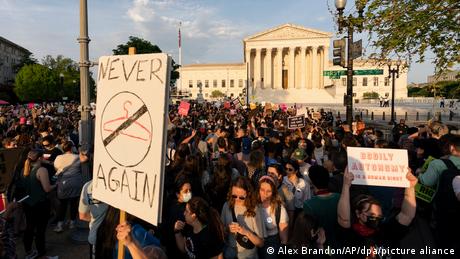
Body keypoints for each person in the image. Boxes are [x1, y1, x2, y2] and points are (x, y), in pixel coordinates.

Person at [337, 167, 417, 258]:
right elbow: (343, 219)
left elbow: (407, 216)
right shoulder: (351, 237)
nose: (376, 219)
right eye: (371, 215)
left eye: (379, 216)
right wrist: (346, 185)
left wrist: (410, 187)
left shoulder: (385, 232)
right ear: (358, 213)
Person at [22, 150, 56, 259]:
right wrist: (56, 185)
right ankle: (41, 252)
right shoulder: (41, 170)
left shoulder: (24, 169)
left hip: (27, 203)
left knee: (29, 227)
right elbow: (47, 189)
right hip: (40, 203)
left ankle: (29, 251)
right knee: (40, 229)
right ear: (40, 158)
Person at [221, 176, 265, 259]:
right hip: (230, 253)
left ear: (248, 194)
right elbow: (220, 232)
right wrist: (227, 229)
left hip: (248, 255)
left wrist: (246, 232)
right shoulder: (226, 206)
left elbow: (261, 243)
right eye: (234, 196)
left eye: (241, 197)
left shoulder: (254, 209)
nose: (237, 199)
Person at [303, 165, 340, 248]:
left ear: (312, 181)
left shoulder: (308, 204)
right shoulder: (339, 197)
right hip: (340, 242)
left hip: (320, 245)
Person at [53, 140, 83, 232]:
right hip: (75, 182)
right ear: (72, 147)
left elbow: (56, 169)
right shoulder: (77, 157)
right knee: (74, 203)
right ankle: (72, 222)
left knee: (62, 204)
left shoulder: (58, 157)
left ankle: (60, 224)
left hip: (63, 183)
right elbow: (84, 164)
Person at [257, 175, 289, 259]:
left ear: (273, 192)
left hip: (271, 242)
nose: (264, 194)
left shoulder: (279, 208)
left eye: (269, 191)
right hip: (255, 242)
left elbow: (284, 239)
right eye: (262, 190)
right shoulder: (253, 205)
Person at [79, 180, 109, 259]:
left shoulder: (88, 186)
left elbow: (82, 215)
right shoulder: (123, 187)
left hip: (96, 237)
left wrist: (95, 219)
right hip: (122, 238)